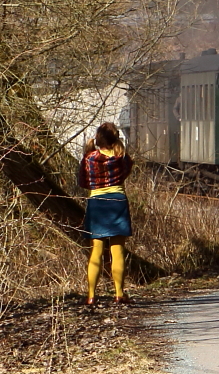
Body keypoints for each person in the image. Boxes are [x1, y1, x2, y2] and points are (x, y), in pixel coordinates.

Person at [77, 122, 134, 306]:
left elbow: (83, 182)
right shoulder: (122, 157)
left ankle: (91, 295)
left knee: (96, 252)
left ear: (98, 138)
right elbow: (126, 172)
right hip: (117, 201)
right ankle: (119, 293)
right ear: (115, 138)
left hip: (97, 204)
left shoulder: (89, 158)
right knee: (117, 251)